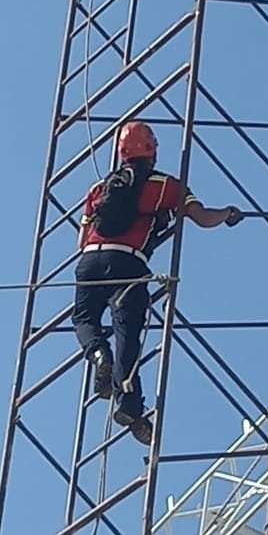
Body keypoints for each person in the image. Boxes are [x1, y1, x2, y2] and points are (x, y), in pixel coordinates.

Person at [72, 120, 242, 444]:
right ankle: (129, 406)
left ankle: (98, 356)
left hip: (90, 260)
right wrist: (227, 213)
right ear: (152, 151)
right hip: (128, 262)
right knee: (128, 333)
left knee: (84, 318)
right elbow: (203, 218)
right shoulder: (166, 186)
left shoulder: (98, 189)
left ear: (121, 152)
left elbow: (81, 239)